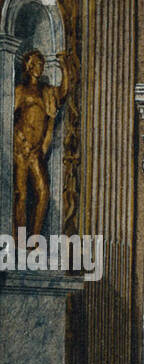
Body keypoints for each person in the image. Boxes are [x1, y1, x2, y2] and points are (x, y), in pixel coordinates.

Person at [13, 50, 67, 237]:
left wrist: (64, 68)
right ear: (28, 67)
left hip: (36, 151)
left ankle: (35, 238)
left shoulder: (46, 91)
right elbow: (7, 117)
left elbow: (62, 93)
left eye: (41, 63)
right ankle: (18, 239)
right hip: (20, 149)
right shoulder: (20, 91)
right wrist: (17, 138)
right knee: (21, 194)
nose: (39, 67)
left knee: (43, 192)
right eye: (36, 63)